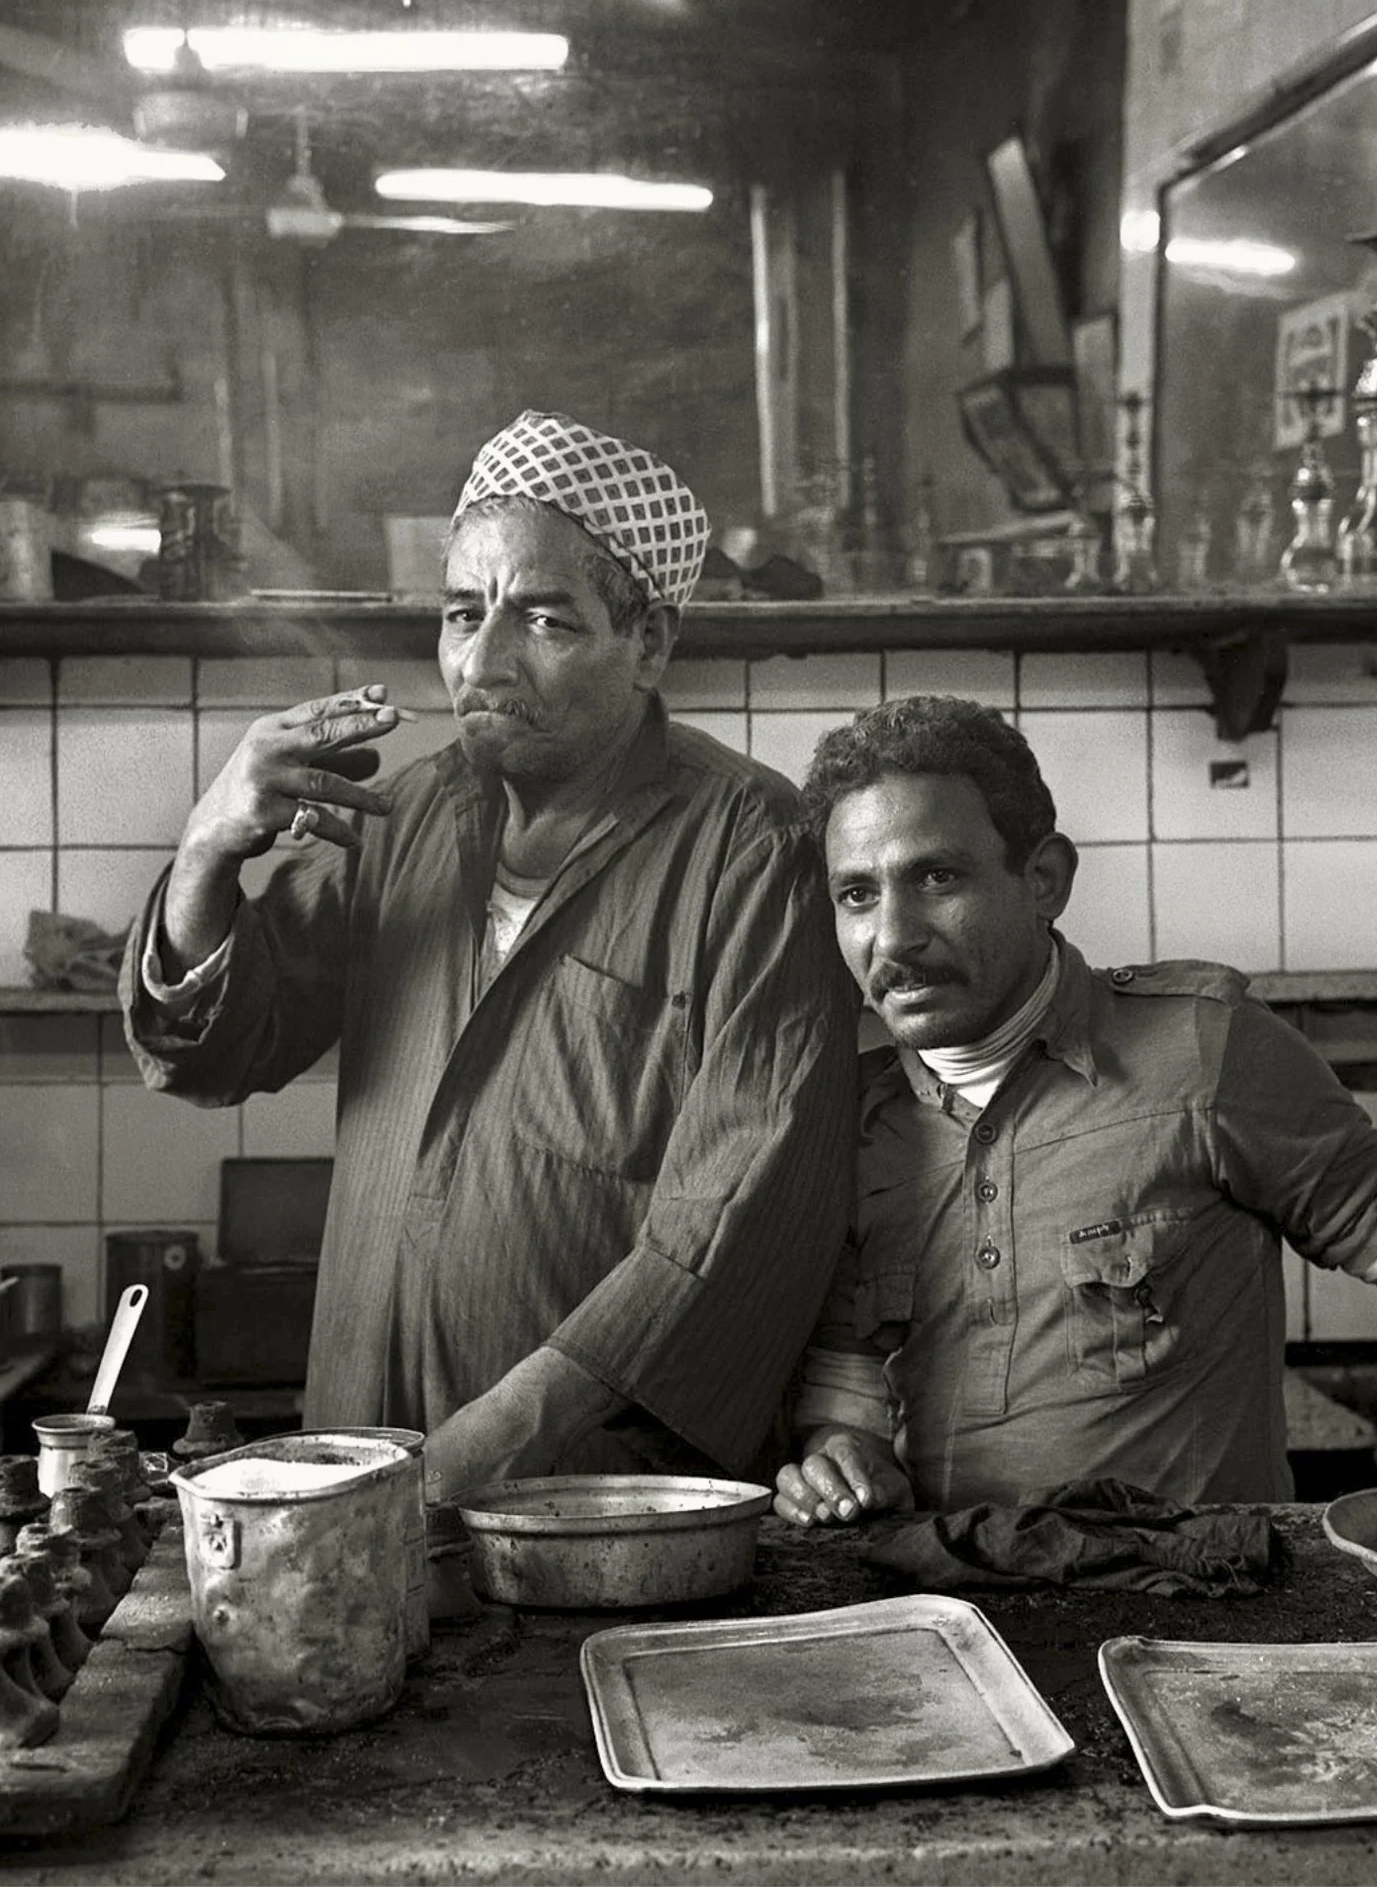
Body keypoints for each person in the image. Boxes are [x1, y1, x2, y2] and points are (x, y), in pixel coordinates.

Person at [123, 410, 857, 1504]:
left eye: (544, 620)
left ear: (648, 641)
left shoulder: (750, 847)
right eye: (463, 614)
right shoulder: (398, 816)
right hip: (363, 1449)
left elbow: (741, 1202)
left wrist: (512, 1426)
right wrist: (204, 851)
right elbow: (217, 1051)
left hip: (597, 1492)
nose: (484, 661)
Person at [774, 695, 1377, 1525]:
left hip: (1201, 1620)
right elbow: (849, 1383)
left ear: (1044, 878)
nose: (891, 935)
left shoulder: (1205, 1050)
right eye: (857, 894)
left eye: (935, 877)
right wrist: (842, 1459)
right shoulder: (854, 1119)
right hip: (967, 1620)